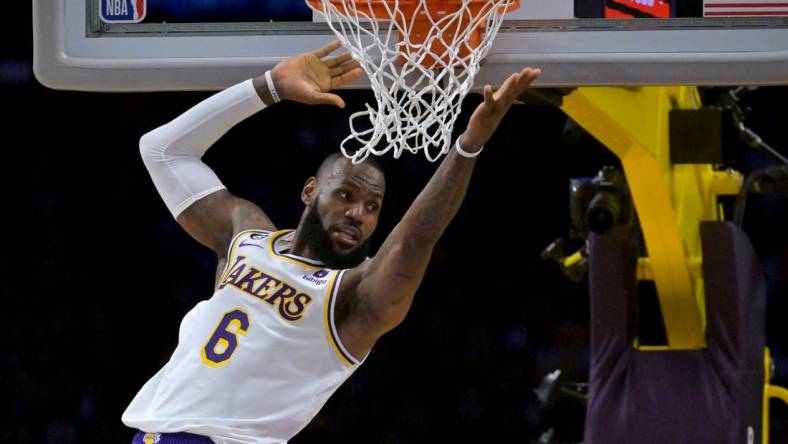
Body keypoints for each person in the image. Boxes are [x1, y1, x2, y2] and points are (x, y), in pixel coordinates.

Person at [122, 40, 540, 444]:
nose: (359, 213)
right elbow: (162, 150)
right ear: (309, 192)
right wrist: (269, 86)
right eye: (346, 196)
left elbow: (415, 239)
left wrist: (468, 146)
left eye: (373, 206)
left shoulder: (352, 298)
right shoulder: (244, 236)